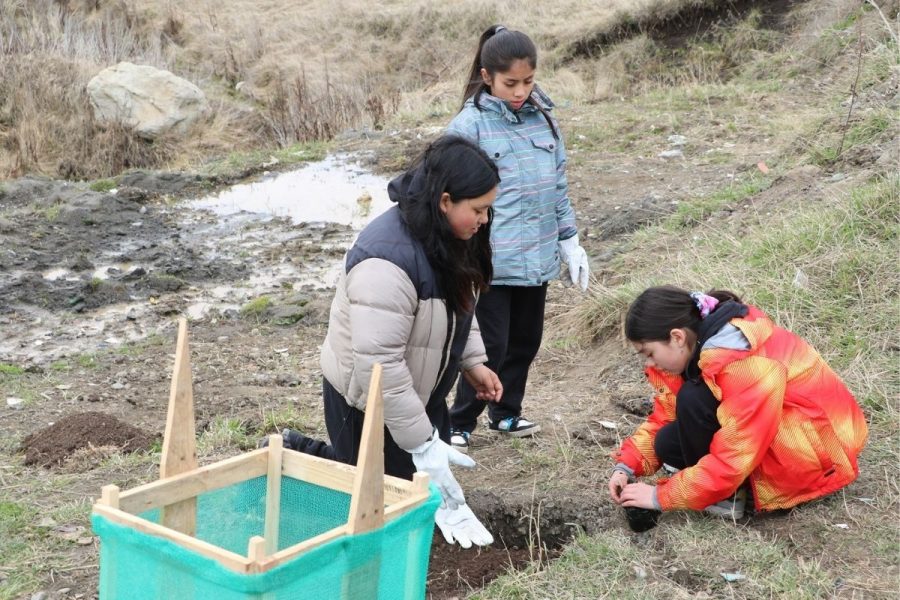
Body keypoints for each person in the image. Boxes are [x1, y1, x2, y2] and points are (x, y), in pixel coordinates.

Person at [271, 135, 502, 548]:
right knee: (371, 496)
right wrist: (422, 442)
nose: (485, 219)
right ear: (446, 200)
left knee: (413, 489)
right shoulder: (386, 263)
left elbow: (458, 307)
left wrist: (472, 361)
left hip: (419, 387)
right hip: (365, 399)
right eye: (479, 209)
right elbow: (380, 366)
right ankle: (297, 454)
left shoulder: (449, 236)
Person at [609, 285, 868, 526]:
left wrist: (660, 496)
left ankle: (727, 498)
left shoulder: (740, 363)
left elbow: (736, 454)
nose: (650, 364)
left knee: (693, 398)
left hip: (816, 453)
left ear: (676, 337)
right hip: (783, 433)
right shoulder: (696, 347)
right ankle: (721, 489)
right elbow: (664, 416)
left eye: (650, 353)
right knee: (667, 440)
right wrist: (627, 465)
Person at [445, 25, 590, 452]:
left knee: (525, 341)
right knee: (488, 344)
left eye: (528, 81)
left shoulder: (545, 121)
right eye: (511, 83)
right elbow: (448, 193)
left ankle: (506, 412)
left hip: (538, 255)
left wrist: (569, 239)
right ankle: (459, 421)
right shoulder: (468, 126)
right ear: (488, 76)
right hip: (489, 259)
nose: (521, 91)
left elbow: (557, 187)